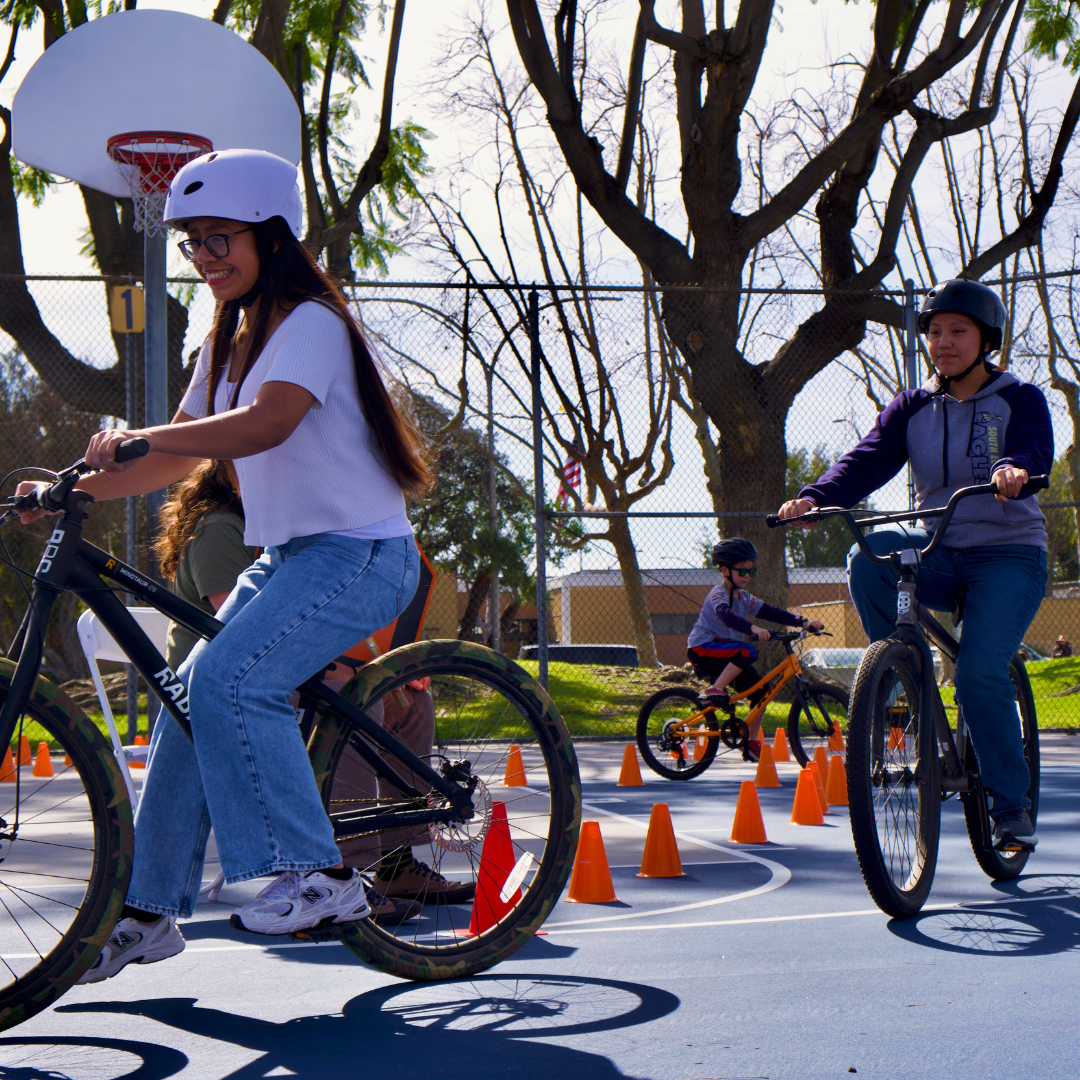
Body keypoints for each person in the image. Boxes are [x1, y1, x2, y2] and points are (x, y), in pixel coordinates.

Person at [17, 149, 432, 982]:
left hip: (364, 553)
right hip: (289, 560)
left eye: (219, 239)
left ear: (272, 237)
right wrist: (70, 484)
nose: (205, 258)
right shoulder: (229, 340)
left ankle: (317, 874)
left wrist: (148, 438)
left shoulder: (312, 321)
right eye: (193, 244)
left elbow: (263, 426)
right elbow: (168, 460)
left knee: (232, 683)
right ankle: (150, 911)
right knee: (186, 699)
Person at [777, 278, 1052, 852]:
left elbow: (1030, 448)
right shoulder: (914, 407)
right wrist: (816, 497)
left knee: (978, 674)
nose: (943, 342)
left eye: (957, 331)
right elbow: (867, 459)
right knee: (867, 555)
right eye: (933, 332)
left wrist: (1014, 470)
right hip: (942, 550)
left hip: (1009, 556)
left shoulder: (1019, 398)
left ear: (985, 339)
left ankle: (1010, 806)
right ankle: (902, 671)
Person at [687, 537, 823, 760]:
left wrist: (802, 621)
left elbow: (772, 612)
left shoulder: (744, 597)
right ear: (724, 570)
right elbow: (726, 616)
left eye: (751, 571)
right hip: (703, 649)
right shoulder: (718, 594)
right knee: (747, 650)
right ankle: (714, 691)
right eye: (742, 571)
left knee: (762, 692)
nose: (747, 576)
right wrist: (752, 628)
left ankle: (748, 741)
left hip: (726, 653)